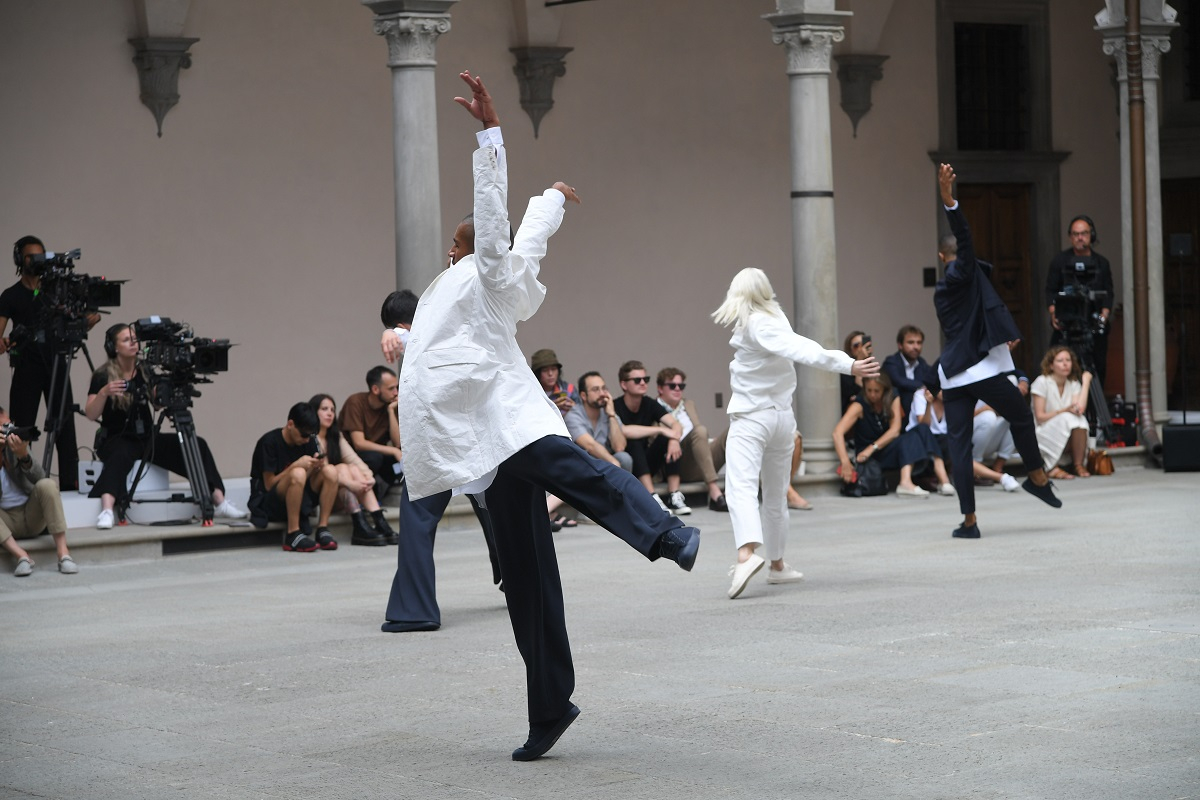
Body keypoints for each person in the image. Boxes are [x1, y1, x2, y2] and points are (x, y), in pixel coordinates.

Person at [395, 71, 700, 762]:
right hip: (479, 450)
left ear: (475, 247)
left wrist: (491, 136)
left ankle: (666, 533)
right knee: (527, 581)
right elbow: (528, 238)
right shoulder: (462, 283)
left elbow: (504, 233)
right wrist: (555, 199)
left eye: (458, 240)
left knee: (584, 475)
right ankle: (550, 707)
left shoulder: (488, 273)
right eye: (452, 242)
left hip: (511, 425)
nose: (449, 248)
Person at [713, 267, 878, 600]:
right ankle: (777, 566)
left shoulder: (758, 324)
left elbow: (804, 349)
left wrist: (848, 364)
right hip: (781, 419)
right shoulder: (774, 317)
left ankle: (746, 555)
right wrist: (846, 363)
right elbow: (798, 347)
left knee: (741, 487)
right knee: (776, 494)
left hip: (752, 417)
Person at [934, 162, 1062, 539]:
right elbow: (966, 242)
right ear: (952, 259)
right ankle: (1037, 477)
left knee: (960, 446)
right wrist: (949, 202)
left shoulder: (944, 291)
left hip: (954, 374)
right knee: (1021, 417)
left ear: (941, 257)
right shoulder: (961, 274)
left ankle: (969, 522)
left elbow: (978, 317)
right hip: (979, 370)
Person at [83, 323, 246, 529]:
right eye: (126, 340)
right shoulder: (102, 376)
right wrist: (104, 393)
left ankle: (219, 500)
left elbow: (157, 405)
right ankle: (107, 509)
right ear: (114, 347)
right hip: (118, 437)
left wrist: (164, 392)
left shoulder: (145, 370)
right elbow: (91, 413)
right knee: (119, 455)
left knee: (197, 443)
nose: (133, 343)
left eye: (134, 339)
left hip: (147, 436)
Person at [0, 235, 97, 491]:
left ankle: (69, 485)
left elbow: (78, 315)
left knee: (64, 425)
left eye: (41, 255)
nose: (37, 261)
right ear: (20, 259)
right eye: (31, 255)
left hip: (56, 363)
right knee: (22, 427)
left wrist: (85, 320)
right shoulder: (10, 296)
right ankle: (21, 487)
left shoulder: (55, 292)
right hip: (26, 368)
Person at [833, 374, 953, 499]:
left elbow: (895, 429)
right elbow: (837, 433)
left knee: (922, 428)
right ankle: (906, 482)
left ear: (884, 390)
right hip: (868, 456)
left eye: (876, 391)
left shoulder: (892, 397)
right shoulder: (859, 405)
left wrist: (873, 447)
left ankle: (943, 480)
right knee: (907, 439)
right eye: (869, 390)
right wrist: (845, 461)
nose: (872, 395)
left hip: (883, 448)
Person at [248, 402, 340, 551]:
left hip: (300, 495)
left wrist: (315, 467)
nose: (306, 439)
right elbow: (268, 485)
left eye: (310, 436)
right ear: (290, 424)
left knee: (330, 471)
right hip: (270, 500)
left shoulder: (308, 440)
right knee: (297, 473)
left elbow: (307, 477)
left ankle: (322, 528)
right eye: (303, 434)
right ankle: (293, 533)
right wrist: (295, 466)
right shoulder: (269, 442)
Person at [309, 393, 396, 546]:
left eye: (332, 409)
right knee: (341, 468)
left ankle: (375, 521)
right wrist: (351, 484)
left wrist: (369, 478)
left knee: (352, 468)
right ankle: (364, 523)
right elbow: (324, 470)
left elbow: (354, 459)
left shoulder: (336, 436)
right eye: (324, 409)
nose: (330, 413)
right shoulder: (310, 438)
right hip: (319, 495)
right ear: (314, 412)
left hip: (342, 492)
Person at [0, 406, 77, 576]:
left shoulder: (16, 445)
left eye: (9, 425)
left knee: (47, 485)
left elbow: (40, 477)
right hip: (5, 521)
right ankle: (21, 556)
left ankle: (63, 554)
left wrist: (23, 455)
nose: (8, 432)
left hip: (31, 514)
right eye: (3, 428)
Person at [1046, 215, 1114, 388]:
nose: (1080, 238)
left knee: (1097, 368)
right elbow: (1050, 290)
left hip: (1093, 326)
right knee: (1061, 367)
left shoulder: (1101, 263)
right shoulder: (1060, 261)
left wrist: (1103, 316)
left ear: (1091, 235)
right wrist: (1054, 313)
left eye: (1084, 233)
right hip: (1066, 326)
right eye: (1075, 234)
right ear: (1070, 236)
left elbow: (1108, 294)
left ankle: (1095, 410)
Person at [614, 360, 690, 515]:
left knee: (670, 440)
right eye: (637, 380)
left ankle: (674, 495)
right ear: (624, 384)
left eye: (645, 379)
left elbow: (676, 425)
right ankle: (651, 496)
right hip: (626, 466)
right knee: (634, 442)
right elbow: (624, 431)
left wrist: (674, 439)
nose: (643, 383)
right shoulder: (616, 406)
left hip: (646, 465)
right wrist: (660, 430)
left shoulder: (649, 403)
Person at [655, 367, 728, 511]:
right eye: (672, 385)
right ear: (660, 388)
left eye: (681, 386)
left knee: (733, 432)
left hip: (699, 460)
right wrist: (674, 439)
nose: (677, 389)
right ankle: (714, 491)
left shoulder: (689, 404)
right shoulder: (653, 407)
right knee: (700, 431)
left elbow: (699, 436)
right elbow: (654, 442)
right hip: (676, 463)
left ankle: (735, 489)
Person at [339, 366, 403, 500]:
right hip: (354, 456)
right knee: (375, 458)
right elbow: (359, 443)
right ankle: (365, 493)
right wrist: (392, 451)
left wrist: (391, 412)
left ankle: (386, 490)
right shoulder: (356, 402)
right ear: (375, 389)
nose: (396, 393)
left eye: (397, 387)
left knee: (401, 460)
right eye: (391, 389)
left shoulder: (390, 405)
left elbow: (397, 444)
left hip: (379, 454)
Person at [1030, 345, 1093, 479]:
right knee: (1068, 418)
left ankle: (1078, 464)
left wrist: (1086, 383)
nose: (1065, 364)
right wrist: (1064, 410)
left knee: (1079, 420)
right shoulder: (1042, 382)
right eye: (1060, 361)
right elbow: (1040, 417)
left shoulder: (1073, 383)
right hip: (1042, 430)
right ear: (1051, 365)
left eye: (1068, 360)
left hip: (1066, 431)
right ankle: (1051, 467)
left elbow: (1079, 409)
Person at [882, 325, 936, 418]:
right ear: (900, 345)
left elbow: (933, 381)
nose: (916, 347)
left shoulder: (922, 364)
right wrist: (923, 386)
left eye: (919, 343)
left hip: (917, 412)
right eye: (911, 342)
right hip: (894, 413)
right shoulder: (891, 362)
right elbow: (899, 381)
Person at [530, 349, 579, 416]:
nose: (550, 374)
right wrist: (550, 409)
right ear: (537, 373)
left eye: (553, 369)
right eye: (545, 370)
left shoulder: (569, 389)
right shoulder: (531, 393)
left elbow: (584, 417)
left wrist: (576, 409)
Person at [840, 330, 873, 412]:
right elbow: (855, 391)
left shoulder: (873, 368)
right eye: (856, 345)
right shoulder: (844, 370)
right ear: (850, 349)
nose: (861, 348)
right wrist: (860, 359)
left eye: (864, 344)